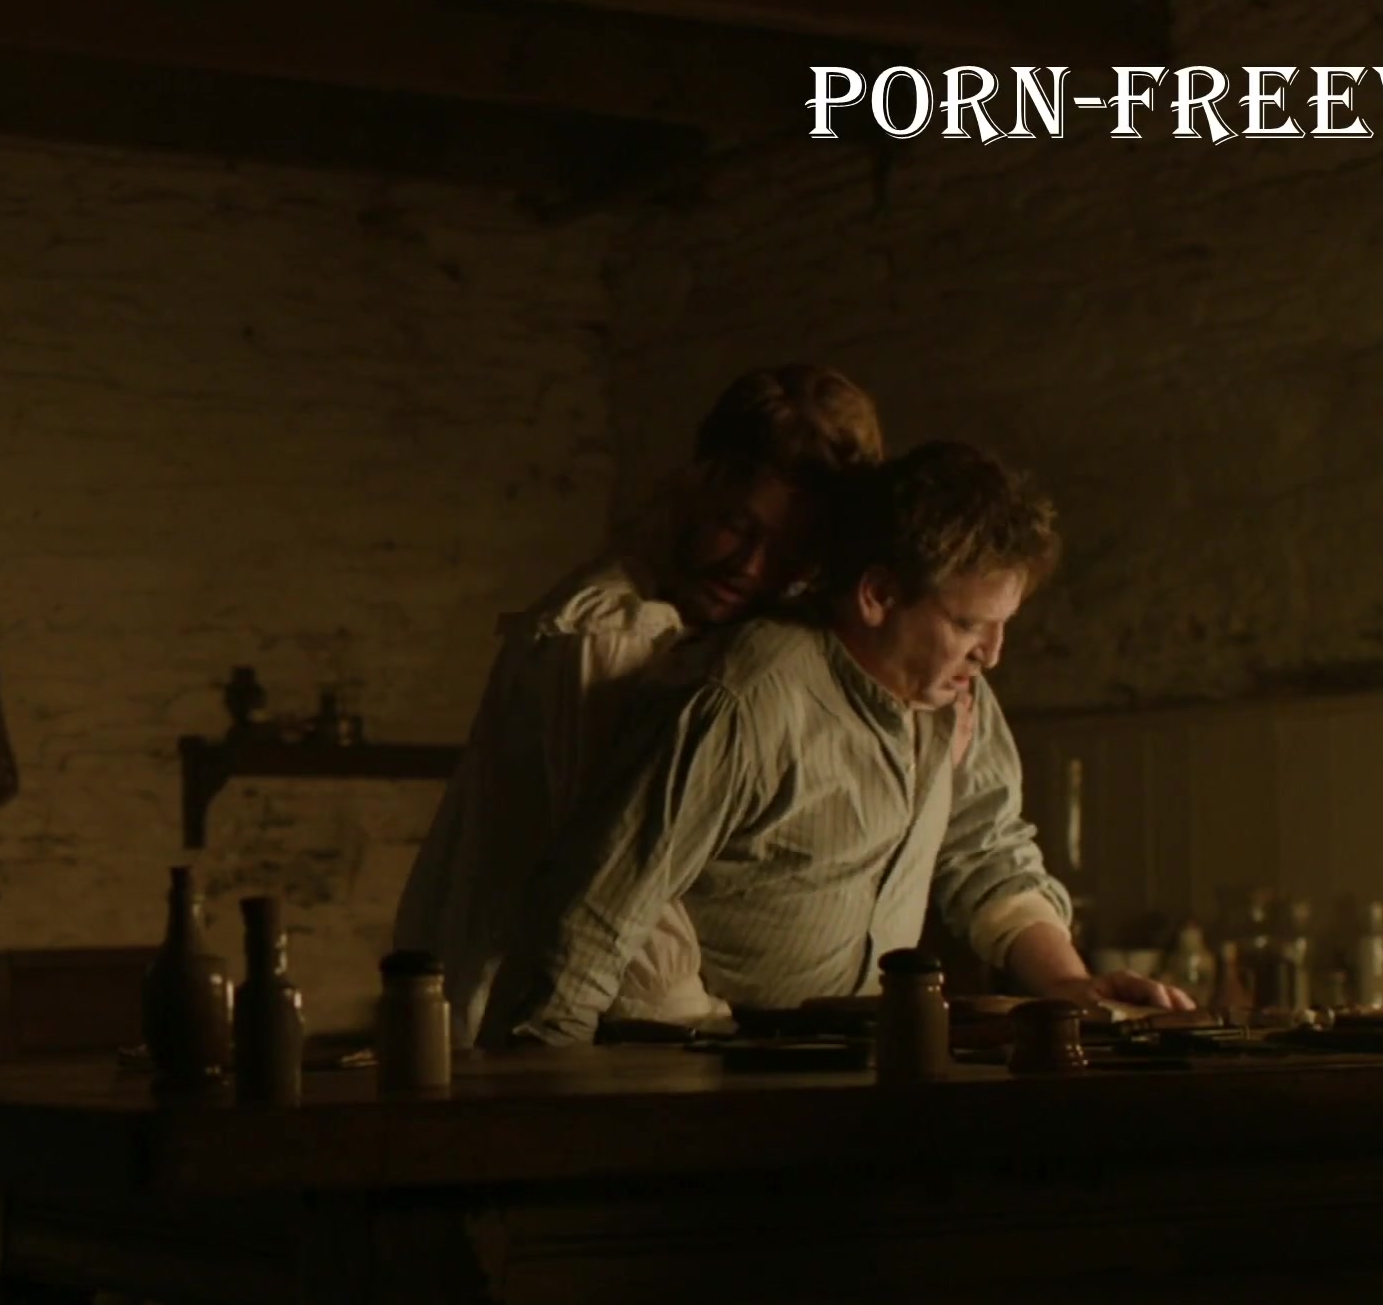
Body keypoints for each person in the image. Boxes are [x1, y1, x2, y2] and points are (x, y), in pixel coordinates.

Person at [493, 441, 1193, 1046]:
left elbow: (986, 852)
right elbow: (595, 914)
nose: (992, 654)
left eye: (1001, 625)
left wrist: (1069, 984)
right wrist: (539, 1094)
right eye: (967, 625)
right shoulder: (746, 698)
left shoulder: (954, 692)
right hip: (716, 1069)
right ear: (877, 595)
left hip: (861, 1071)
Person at [392, 367, 888, 1048]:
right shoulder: (602, 637)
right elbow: (615, 887)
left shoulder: (727, 638)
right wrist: (725, 1035)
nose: (751, 567)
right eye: (734, 526)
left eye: (787, 553)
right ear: (697, 487)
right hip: (511, 1025)